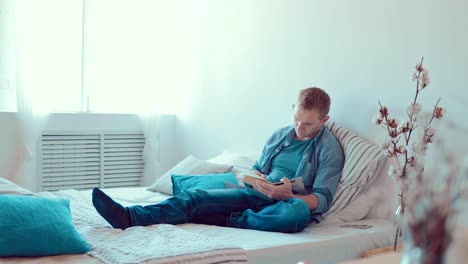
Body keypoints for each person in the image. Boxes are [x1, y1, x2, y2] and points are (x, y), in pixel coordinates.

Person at [92, 87, 344, 233]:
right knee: (196, 196)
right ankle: (130, 217)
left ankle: (230, 219)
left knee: (296, 212)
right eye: (296, 119)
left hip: (287, 204)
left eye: (307, 123)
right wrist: (258, 179)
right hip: (257, 194)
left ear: (324, 120)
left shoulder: (328, 149)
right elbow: (258, 169)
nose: (299, 127)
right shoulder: (280, 135)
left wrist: (288, 196)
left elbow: (321, 199)